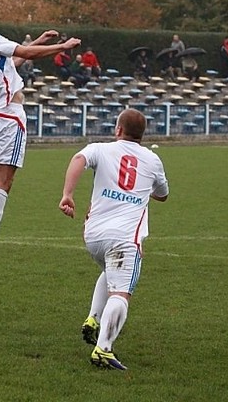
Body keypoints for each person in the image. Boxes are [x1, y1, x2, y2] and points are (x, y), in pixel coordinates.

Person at [0, 12, 81, 275]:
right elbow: (26, 55)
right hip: (9, 114)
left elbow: (12, 62)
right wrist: (61, 47)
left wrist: (40, 39)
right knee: (4, 180)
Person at [59, 108, 169, 370]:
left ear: (118, 130)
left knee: (110, 271)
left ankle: (93, 318)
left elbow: (77, 159)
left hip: (93, 234)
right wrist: (142, 192)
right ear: (142, 135)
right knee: (121, 293)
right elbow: (163, 194)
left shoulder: (100, 148)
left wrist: (68, 194)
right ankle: (104, 349)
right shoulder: (152, 159)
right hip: (124, 238)